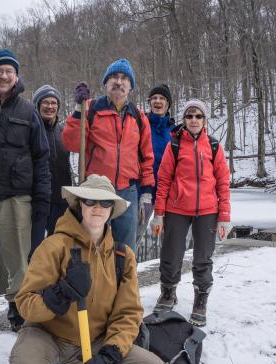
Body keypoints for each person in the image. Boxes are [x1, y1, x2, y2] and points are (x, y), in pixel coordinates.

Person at [6, 174, 166, 364]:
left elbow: (128, 314)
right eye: (90, 201)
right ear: (80, 204)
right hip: (50, 336)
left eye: (105, 202)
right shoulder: (53, 246)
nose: (97, 208)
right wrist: (60, 294)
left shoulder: (123, 256)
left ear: (112, 208)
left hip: (95, 341)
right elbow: (25, 305)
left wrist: (109, 357)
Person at [0, 49, 51, 332]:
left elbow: (41, 158)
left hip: (16, 196)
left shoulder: (28, 110)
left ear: (16, 76)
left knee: (20, 260)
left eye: (9, 70)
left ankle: (17, 308)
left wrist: (41, 199)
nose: (4, 75)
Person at [150, 99, 231, 327]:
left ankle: (200, 300)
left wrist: (224, 215)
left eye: (198, 116)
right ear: (184, 120)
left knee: (203, 257)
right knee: (171, 254)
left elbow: (223, 182)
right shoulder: (174, 145)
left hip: (208, 210)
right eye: (189, 116)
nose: (193, 120)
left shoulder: (214, 146)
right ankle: (168, 293)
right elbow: (164, 180)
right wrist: (159, 213)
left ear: (204, 120)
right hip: (177, 208)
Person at [62, 58, 155, 252]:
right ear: (106, 83)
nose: (119, 82)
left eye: (124, 78)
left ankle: (123, 282)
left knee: (125, 250)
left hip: (127, 190)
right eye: (113, 77)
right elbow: (71, 143)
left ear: (131, 86)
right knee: (92, 247)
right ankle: (94, 282)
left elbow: (146, 158)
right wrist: (79, 110)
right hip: (95, 191)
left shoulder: (139, 118)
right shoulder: (91, 109)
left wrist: (146, 193)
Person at [135, 84, 175, 245]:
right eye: (154, 98)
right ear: (149, 102)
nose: (158, 101)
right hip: (142, 191)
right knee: (134, 234)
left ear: (168, 104)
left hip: (165, 194)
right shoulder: (139, 124)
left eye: (162, 98)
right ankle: (126, 269)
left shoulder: (174, 131)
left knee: (170, 240)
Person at [32, 84, 72, 239]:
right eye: (45, 102)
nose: (50, 106)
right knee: (35, 246)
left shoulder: (63, 131)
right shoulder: (30, 129)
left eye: (54, 103)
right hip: (38, 199)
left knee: (57, 245)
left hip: (61, 199)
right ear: (37, 105)